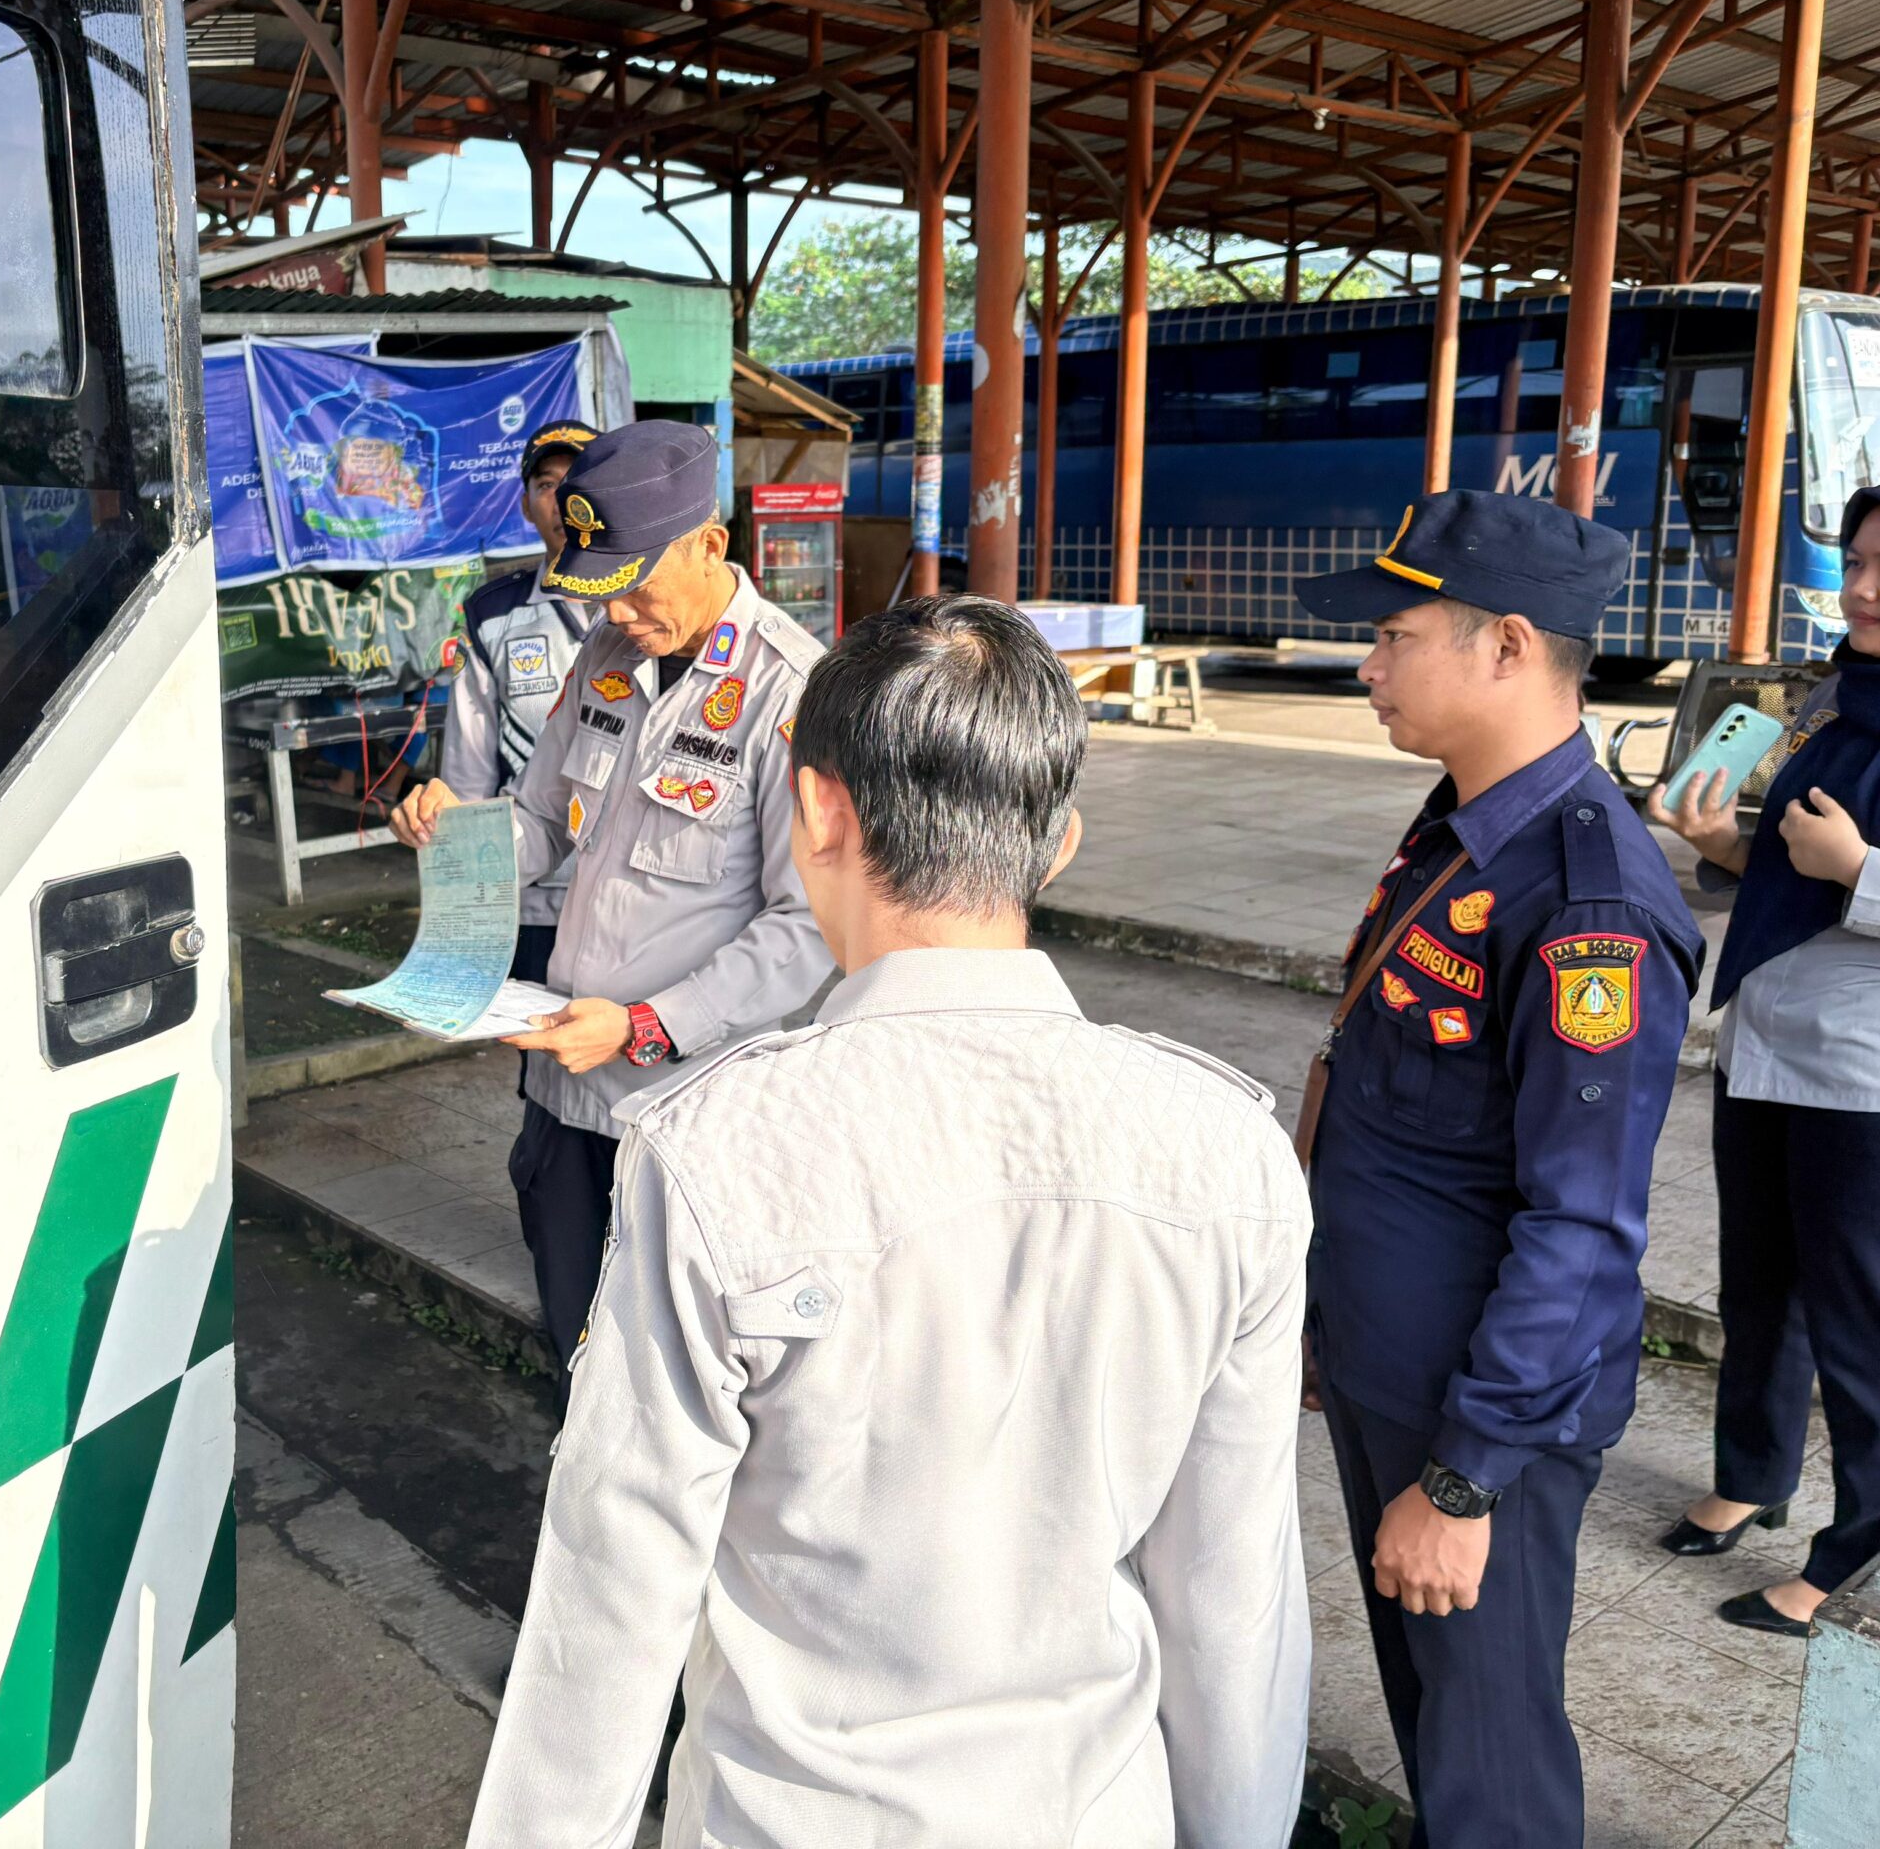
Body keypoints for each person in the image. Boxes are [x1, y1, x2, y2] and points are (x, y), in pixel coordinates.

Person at [467, 595, 1313, 1849]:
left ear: (816, 810)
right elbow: (1232, 1597)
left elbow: (614, 1586)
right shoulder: (1225, 1148)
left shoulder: (715, 1151)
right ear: (1058, 842)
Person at [1292, 490, 1704, 1849]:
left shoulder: (1588, 900)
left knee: (1491, 1772)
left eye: (1395, 634)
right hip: (1392, 1370)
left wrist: (1465, 1480)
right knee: (1436, 1731)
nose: (1367, 663)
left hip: (1479, 1415)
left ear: (1508, 646)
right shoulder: (1463, 827)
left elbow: (1582, 1229)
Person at [390, 421, 829, 1404]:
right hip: (565, 1086)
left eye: (639, 586)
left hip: (694, 1109)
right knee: (577, 1341)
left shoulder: (788, 690)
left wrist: (642, 1024)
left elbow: (805, 930)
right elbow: (544, 822)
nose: (622, 615)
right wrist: (450, 830)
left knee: (684, 1376)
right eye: (604, 590)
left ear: (711, 545)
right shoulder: (608, 653)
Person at [1647, 484, 1880, 1638]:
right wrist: (1713, 840)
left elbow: (1831, 865)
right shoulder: (1818, 696)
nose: (1869, 587)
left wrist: (1859, 870)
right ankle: (1752, 1474)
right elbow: (1774, 855)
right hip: (1763, 1040)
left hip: (1865, 1074)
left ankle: (1852, 1544)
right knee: (1759, 1287)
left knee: (1860, 1321)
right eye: (1859, 559)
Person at [440, 416, 599, 981]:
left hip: (629, 896)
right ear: (528, 505)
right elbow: (468, 772)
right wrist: (465, 903)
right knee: (540, 1060)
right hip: (533, 896)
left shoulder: (646, 609)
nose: (561, 498)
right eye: (546, 484)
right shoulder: (493, 614)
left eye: (577, 478)